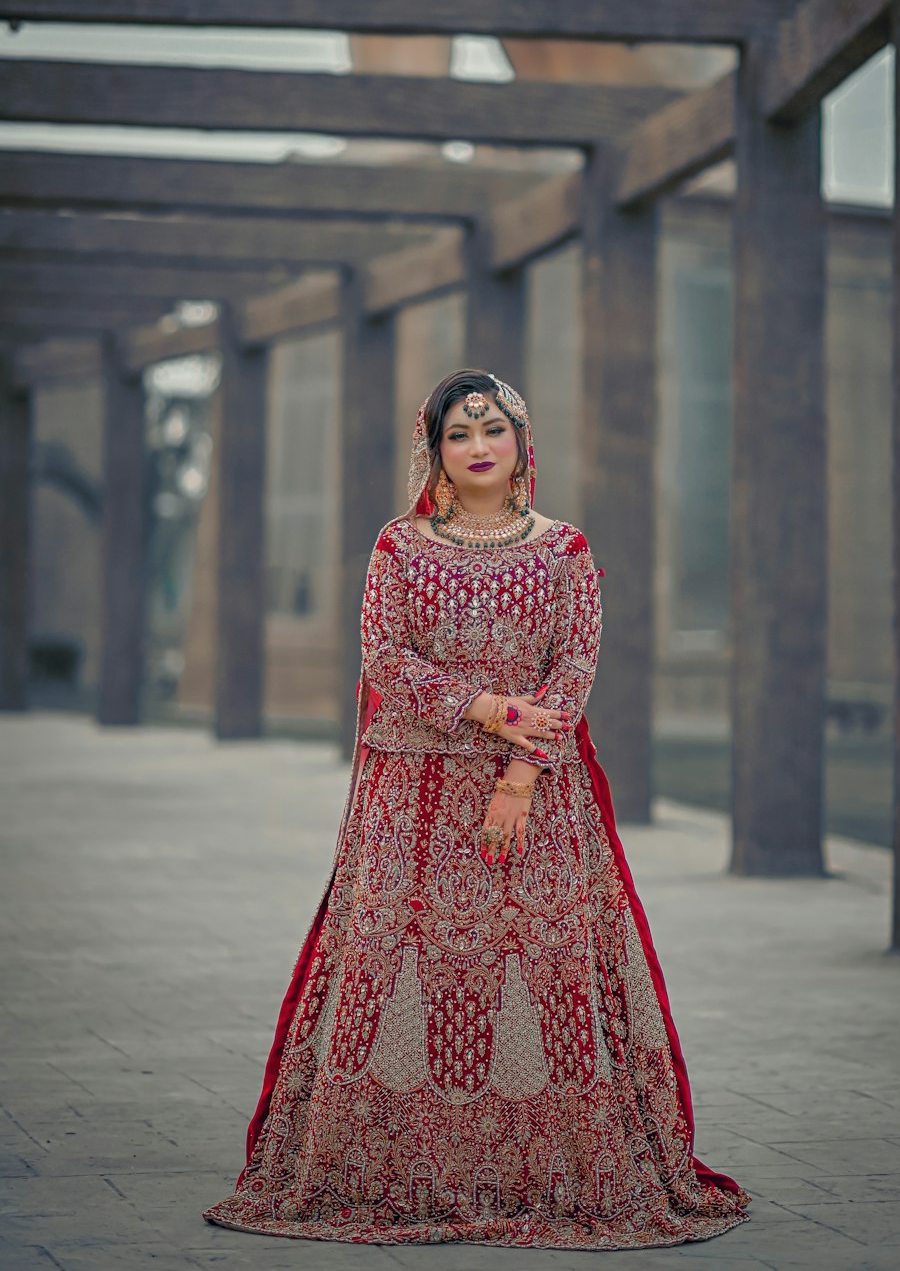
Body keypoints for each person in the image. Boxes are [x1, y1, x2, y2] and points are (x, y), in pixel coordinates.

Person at [203, 369, 751, 1249]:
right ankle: (384, 1174)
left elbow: (574, 670)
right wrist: (486, 709)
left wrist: (520, 775)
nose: (479, 445)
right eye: (459, 433)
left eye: (492, 427)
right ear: (436, 451)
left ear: (521, 442)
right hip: (410, 799)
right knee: (391, 972)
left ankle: (560, 1173)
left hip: (537, 799)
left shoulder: (564, 549)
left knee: (545, 969)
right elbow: (384, 657)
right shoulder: (400, 546)